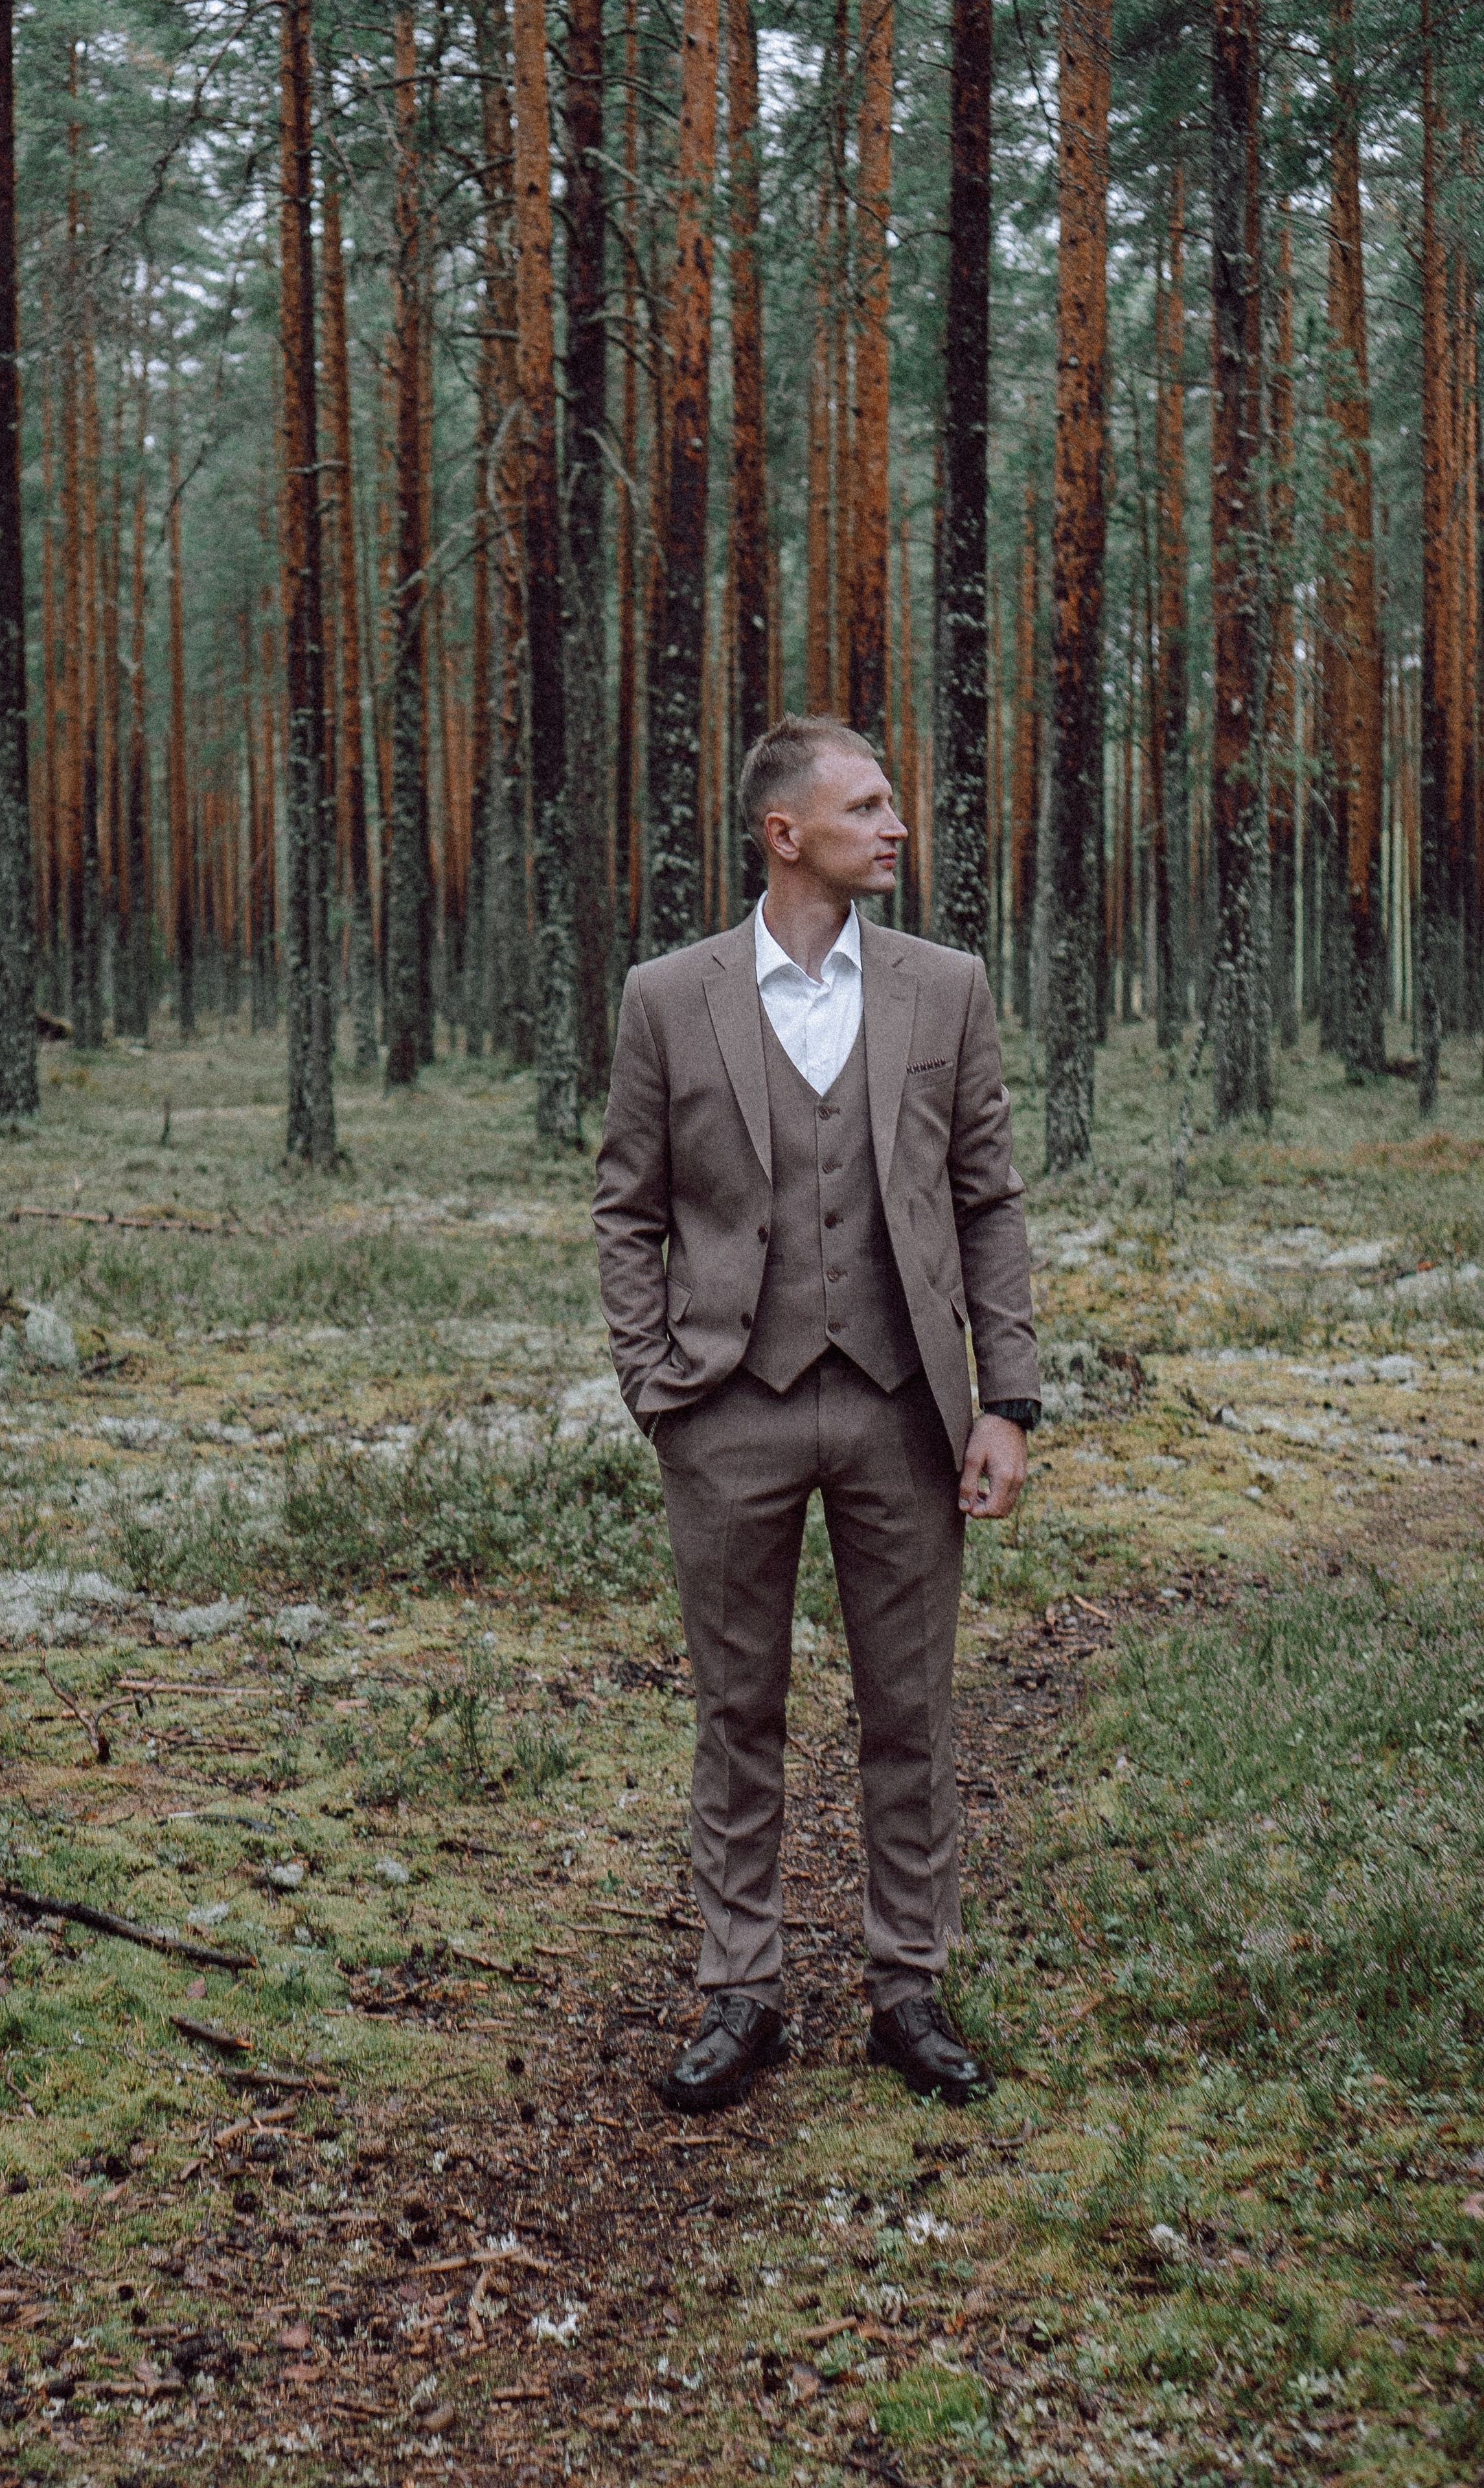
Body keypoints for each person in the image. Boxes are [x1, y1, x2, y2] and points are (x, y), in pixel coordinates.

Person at [593, 713, 1040, 2114]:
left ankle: (906, 1989)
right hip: (726, 1408)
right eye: (864, 805)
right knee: (739, 1711)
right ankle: (743, 1996)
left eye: (891, 800)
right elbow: (625, 1207)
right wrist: (654, 1383)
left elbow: (985, 1201)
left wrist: (1006, 1401)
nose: (895, 822)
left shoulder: (943, 986)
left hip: (907, 1407)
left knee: (908, 1710)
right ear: (782, 833)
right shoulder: (669, 998)